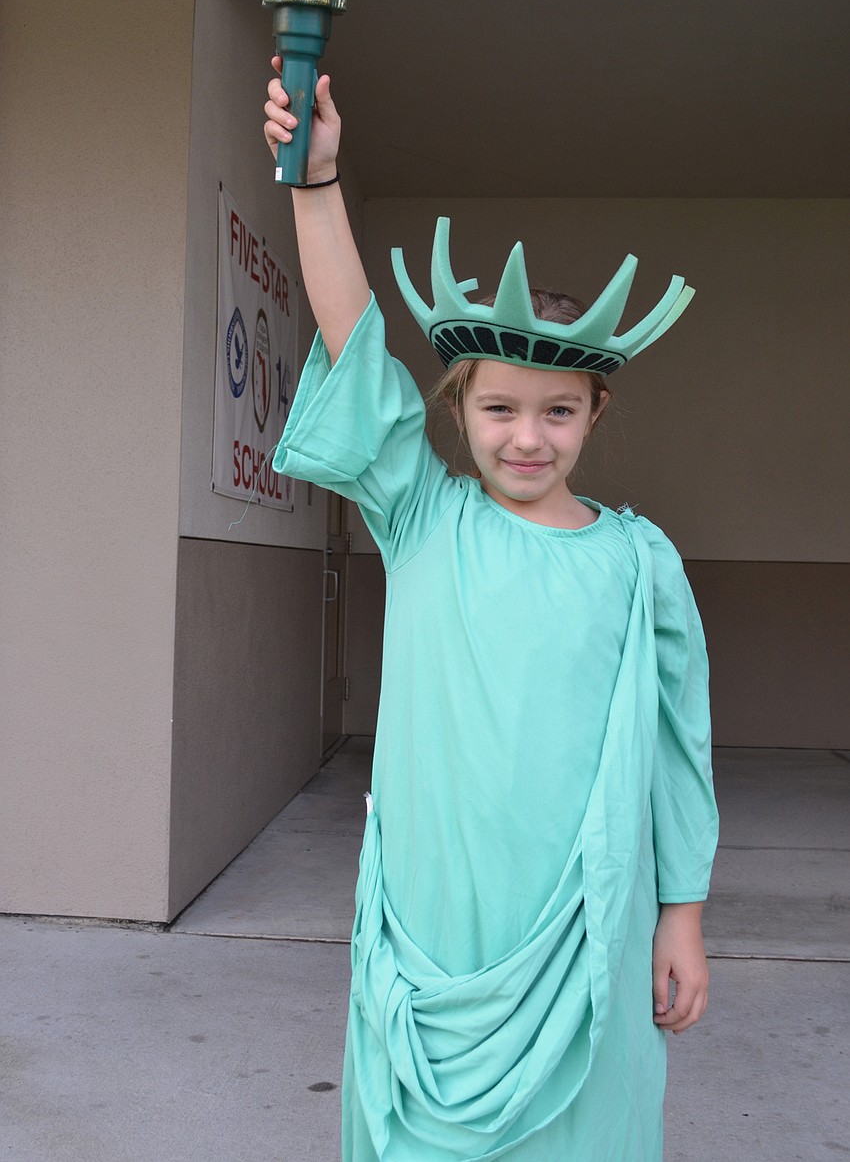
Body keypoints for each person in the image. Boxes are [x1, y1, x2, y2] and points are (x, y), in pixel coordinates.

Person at [264, 58, 719, 1162]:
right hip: (438, 909)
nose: (527, 437)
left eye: (558, 411)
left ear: (594, 413)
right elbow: (351, 341)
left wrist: (681, 914)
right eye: (501, 407)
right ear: (455, 409)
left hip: (582, 921)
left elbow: (676, 747)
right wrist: (315, 186)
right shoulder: (424, 517)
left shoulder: (636, 560)